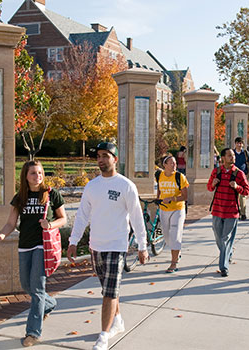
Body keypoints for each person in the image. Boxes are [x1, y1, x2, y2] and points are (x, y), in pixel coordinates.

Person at [67, 142, 148, 350]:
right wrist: (73, 241)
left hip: (117, 246)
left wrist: (142, 245)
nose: (101, 159)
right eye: (99, 156)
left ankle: (103, 336)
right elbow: (82, 216)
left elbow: (137, 218)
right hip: (96, 246)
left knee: (109, 293)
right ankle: (118, 321)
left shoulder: (126, 185)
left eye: (106, 155)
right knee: (109, 289)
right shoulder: (92, 186)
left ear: (115, 159)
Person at [0, 160, 67, 347]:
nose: (38, 176)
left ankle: (33, 333)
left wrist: (50, 224)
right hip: (25, 245)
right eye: (33, 173)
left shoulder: (51, 194)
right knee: (26, 285)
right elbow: (11, 223)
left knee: (37, 288)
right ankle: (49, 304)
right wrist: (0, 236)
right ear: (25, 175)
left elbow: (62, 219)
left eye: (40, 173)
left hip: (43, 246)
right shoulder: (20, 197)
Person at [207, 148, 249, 277]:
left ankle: (223, 267)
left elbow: (247, 191)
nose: (233, 158)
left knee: (225, 238)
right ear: (223, 158)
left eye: (233, 156)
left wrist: (237, 187)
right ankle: (228, 253)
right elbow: (209, 187)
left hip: (232, 211)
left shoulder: (239, 173)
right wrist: (213, 184)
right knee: (218, 237)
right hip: (217, 210)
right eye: (230, 156)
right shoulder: (216, 172)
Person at [156, 154, 189, 273]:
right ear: (165, 165)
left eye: (175, 163)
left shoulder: (180, 177)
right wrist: (158, 199)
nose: (174, 165)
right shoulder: (159, 175)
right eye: (171, 163)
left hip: (177, 209)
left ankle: (174, 263)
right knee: (166, 236)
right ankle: (177, 250)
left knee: (175, 235)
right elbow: (159, 189)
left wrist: (172, 198)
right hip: (164, 209)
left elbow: (185, 196)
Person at [233, 137, 249, 220]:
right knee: (234, 196)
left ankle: (243, 213)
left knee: (243, 196)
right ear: (235, 144)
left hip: (243, 177)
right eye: (238, 143)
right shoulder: (232, 153)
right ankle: (236, 212)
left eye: (241, 143)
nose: (239, 145)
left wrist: (247, 176)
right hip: (233, 177)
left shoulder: (245, 153)